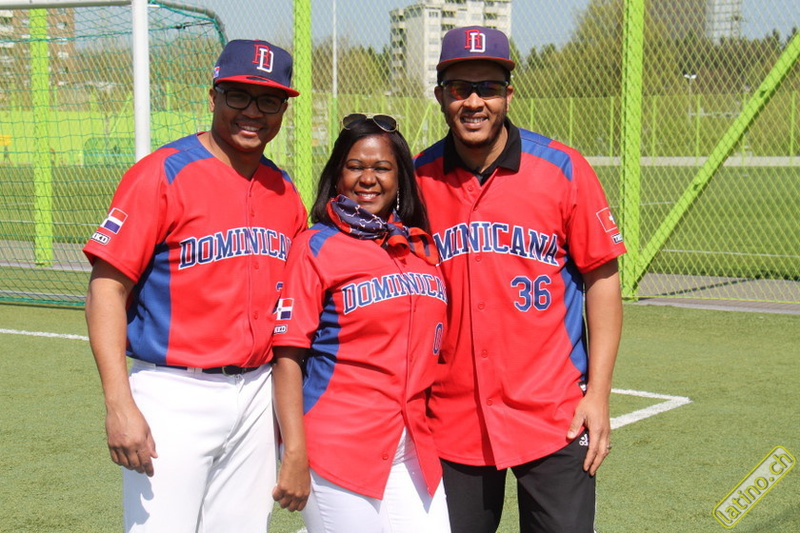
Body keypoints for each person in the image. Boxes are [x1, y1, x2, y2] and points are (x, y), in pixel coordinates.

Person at [83, 39, 307, 532]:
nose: (253, 112)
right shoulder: (162, 173)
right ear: (213, 97)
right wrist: (118, 404)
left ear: (284, 109)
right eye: (238, 95)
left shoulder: (284, 190)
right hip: (174, 392)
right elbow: (106, 289)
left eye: (269, 100)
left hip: (257, 392)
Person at [414, 26, 627, 533]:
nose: (474, 102)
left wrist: (598, 395)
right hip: (452, 416)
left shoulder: (562, 167)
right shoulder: (417, 178)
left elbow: (602, 279)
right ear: (441, 96)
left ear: (508, 94)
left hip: (553, 413)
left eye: (487, 88)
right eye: (460, 88)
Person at [270, 113, 451, 532]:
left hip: (410, 447)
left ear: (400, 178)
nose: (368, 179)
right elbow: (287, 357)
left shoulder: (419, 249)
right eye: (355, 167)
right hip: (337, 447)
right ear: (338, 174)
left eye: (382, 168)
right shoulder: (315, 246)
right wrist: (294, 451)